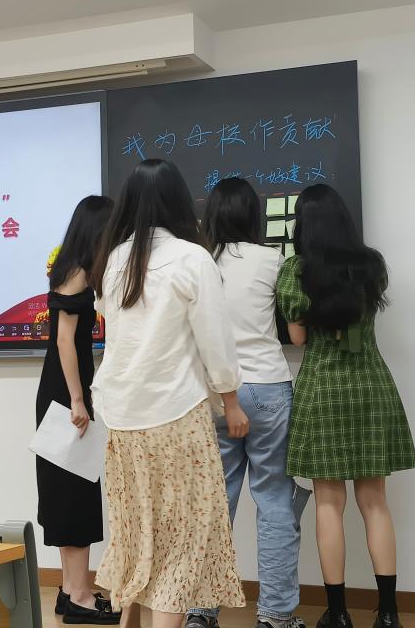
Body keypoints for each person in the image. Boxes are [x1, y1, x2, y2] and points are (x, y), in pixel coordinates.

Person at [90, 158, 249, 628]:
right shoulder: (192, 258)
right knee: (183, 539)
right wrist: (231, 401)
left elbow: (111, 319)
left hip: (122, 418)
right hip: (176, 413)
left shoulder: (113, 260)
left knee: (137, 533)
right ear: (179, 200)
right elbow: (215, 341)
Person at [276, 185, 415, 628]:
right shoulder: (370, 265)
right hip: (371, 384)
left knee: (328, 504)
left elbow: (298, 338)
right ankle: (388, 613)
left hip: (323, 388)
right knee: (375, 503)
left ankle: (337, 614)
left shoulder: (296, 271)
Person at [185, 178, 304, 628]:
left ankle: (200, 611)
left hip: (216, 393)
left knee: (214, 503)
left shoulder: (198, 262)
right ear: (254, 215)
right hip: (268, 386)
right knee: (274, 500)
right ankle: (275, 615)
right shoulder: (273, 259)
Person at [36, 195, 120, 625]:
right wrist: (77, 400)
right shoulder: (75, 273)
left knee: (69, 491)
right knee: (74, 494)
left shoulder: (72, 267)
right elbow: (65, 341)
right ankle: (80, 595)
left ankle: (72, 591)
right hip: (65, 395)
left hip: (63, 392)